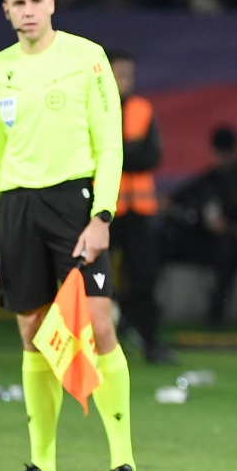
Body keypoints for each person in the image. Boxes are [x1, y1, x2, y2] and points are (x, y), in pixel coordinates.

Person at [0, 0, 139, 471]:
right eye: (18, 3)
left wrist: (103, 215)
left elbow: (111, 143)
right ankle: (43, 469)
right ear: (6, 10)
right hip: (17, 209)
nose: (28, 10)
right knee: (34, 334)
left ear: (52, 2)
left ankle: (123, 467)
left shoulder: (88, 58)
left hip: (75, 202)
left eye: (36, 0)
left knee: (98, 324)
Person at [162, 126, 237, 327]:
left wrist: (234, 229)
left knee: (228, 252)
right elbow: (181, 195)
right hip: (210, 241)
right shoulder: (212, 177)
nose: (221, 160)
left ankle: (215, 316)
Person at [106, 49, 175, 364]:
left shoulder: (143, 109)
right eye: (119, 73)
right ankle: (97, 344)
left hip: (139, 213)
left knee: (145, 280)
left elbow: (151, 156)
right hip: (103, 213)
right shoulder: (93, 108)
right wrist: (129, 151)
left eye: (128, 74)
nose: (125, 80)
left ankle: (150, 343)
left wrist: (117, 152)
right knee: (96, 282)